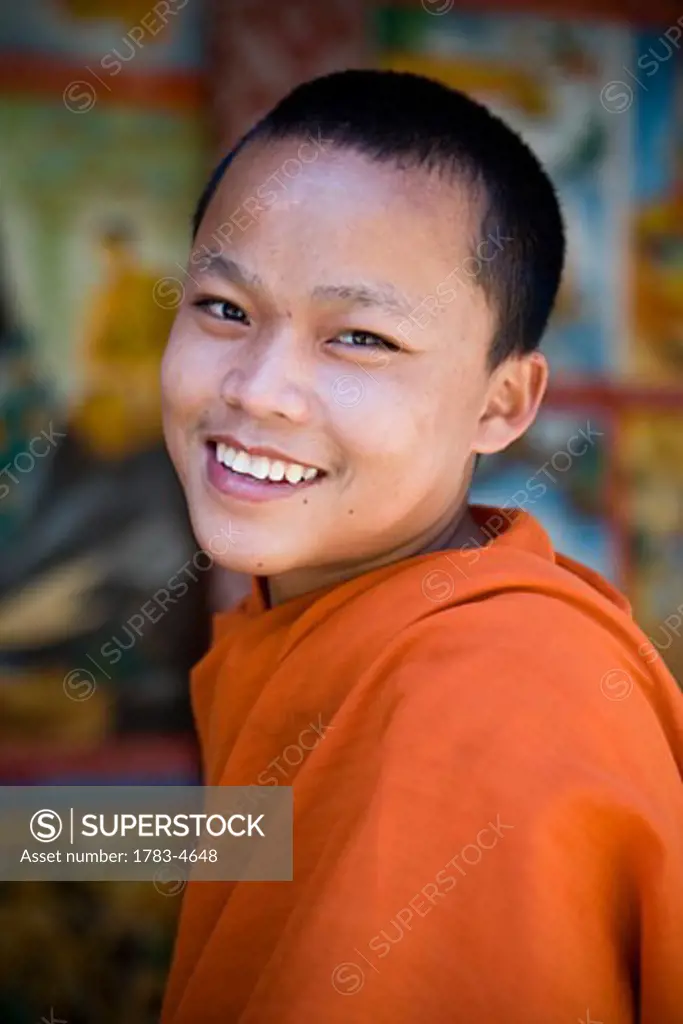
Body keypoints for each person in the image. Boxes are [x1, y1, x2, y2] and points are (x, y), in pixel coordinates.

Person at [159, 69, 683, 1024]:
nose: (259, 389)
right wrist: (34, 836)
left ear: (501, 403)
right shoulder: (318, 616)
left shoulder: (494, 695)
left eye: (358, 339)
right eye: (225, 309)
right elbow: (267, 839)